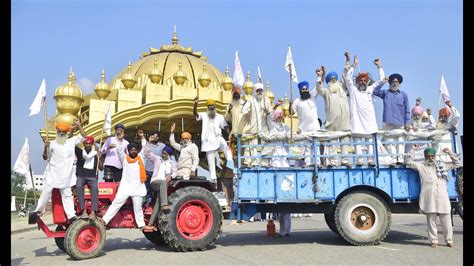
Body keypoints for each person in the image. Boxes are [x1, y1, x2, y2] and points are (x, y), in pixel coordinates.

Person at [29, 119, 86, 224]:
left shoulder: (71, 141)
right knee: (46, 192)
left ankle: (71, 216)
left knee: (67, 195)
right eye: (59, 131)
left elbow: (83, 136)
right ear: (57, 132)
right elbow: (46, 157)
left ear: (66, 133)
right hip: (53, 173)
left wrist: (79, 125)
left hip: (66, 175)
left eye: (63, 132)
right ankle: (37, 211)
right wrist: (45, 147)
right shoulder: (52, 144)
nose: (61, 133)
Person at [405, 147, 461, 248]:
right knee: (431, 221)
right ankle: (434, 240)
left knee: (446, 220)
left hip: (442, 196)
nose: (430, 158)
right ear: (425, 157)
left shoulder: (442, 165)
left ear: (435, 156)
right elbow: (408, 161)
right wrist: (412, 150)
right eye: (428, 156)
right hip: (429, 197)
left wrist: (450, 153)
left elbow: (458, 164)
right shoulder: (421, 166)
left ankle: (449, 240)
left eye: (432, 156)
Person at [343, 52, 387, 166]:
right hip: (357, 121)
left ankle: (371, 160)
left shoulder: (370, 89)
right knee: (357, 140)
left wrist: (379, 67)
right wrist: (354, 65)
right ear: (357, 82)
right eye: (360, 80)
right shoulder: (353, 90)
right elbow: (347, 78)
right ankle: (360, 159)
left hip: (369, 122)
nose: (362, 82)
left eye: (364, 80)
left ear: (367, 82)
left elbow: (381, 80)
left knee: (370, 142)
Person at [98, 142, 147, 230]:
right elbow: (120, 151)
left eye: (135, 150)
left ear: (137, 151)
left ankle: (141, 225)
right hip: (125, 187)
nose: (133, 151)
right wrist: (119, 140)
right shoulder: (124, 159)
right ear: (128, 151)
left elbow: (144, 148)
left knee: (138, 207)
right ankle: (104, 220)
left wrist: (142, 138)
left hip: (138, 187)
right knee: (116, 203)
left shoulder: (141, 158)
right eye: (131, 150)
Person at [316, 54, 351, 167]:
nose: (333, 80)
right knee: (333, 142)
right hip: (332, 121)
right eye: (330, 79)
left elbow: (345, 74)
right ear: (328, 81)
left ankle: (345, 161)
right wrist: (320, 76)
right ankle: (333, 162)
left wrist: (347, 61)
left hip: (344, 120)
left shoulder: (342, 88)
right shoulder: (326, 92)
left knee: (345, 141)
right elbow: (319, 88)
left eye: (334, 78)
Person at [373, 65, 411, 165]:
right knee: (389, 141)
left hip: (400, 121)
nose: (394, 83)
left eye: (396, 82)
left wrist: (407, 122)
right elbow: (375, 91)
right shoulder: (385, 93)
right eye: (392, 82)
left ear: (399, 83)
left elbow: (407, 109)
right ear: (390, 83)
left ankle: (400, 159)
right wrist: (382, 82)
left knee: (400, 140)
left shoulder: (403, 94)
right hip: (388, 121)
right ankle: (393, 159)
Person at [194, 97, 234, 182]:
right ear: (207, 107)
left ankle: (230, 161)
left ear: (215, 107)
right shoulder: (204, 115)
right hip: (207, 141)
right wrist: (195, 104)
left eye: (212, 105)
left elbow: (225, 126)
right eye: (209, 106)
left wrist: (229, 134)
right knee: (210, 161)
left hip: (217, 138)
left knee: (224, 144)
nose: (211, 107)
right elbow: (196, 114)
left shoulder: (219, 117)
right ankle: (213, 178)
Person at [143, 145, 177, 231]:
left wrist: (171, 176)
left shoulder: (172, 163)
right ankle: (164, 204)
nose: (163, 154)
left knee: (158, 201)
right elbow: (147, 153)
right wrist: (147, 143)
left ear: (168, 154)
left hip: (163, 186)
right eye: (163, 152)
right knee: (162, 182)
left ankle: (150, 224)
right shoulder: (157, 159)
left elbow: (175, 172)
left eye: (165, 153)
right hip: (155, 182)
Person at [290, 80, 321, 167]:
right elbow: (291, 112)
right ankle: (308, 162)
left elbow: (318, 85)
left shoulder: (313, 96)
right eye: (303, 89)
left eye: (306, 89)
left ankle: (317, 162)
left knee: (316, 145)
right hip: (303, 128)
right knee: (307, 147)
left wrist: (320, 75)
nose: (305, 91)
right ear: (300, 91)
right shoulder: (297, 101)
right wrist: (290, 104)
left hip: (314, 127)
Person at [75, 135, 99, 220]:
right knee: (78, 186)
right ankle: (83, 211)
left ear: (92, 144)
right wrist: (77, 127)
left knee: (95, 189)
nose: (88, 145)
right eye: (86, 143)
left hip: (92, 177)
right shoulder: (80, 152)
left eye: (90, 143)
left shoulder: (96, 154)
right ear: (84, 144)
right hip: (81, 176)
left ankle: (93, 212)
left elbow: (101, 167)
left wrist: (101, 157)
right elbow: (72, 144)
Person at [142, 130, 165, 204]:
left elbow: (166, 155)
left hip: (158, 171)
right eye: (154, 136)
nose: (155, 138)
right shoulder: (147, 145)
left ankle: (156, 205)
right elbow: (144, 152)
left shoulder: (162, 145)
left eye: (157, 136)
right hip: (148, 170)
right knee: (148, 189)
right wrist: (149, 142)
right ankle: (148, 205)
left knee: (158, 189)